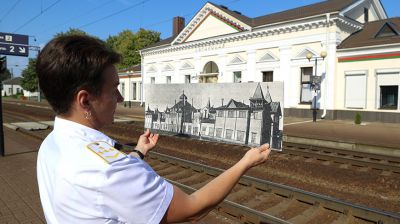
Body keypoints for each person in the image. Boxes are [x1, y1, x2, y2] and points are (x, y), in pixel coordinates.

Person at [36, 34, 271, 224]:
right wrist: (245, 162)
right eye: (114, 88)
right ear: (85, 101)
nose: (120, 97)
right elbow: (192, 209)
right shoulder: (108, 171)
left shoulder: (51, 144)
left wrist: (139, 152)